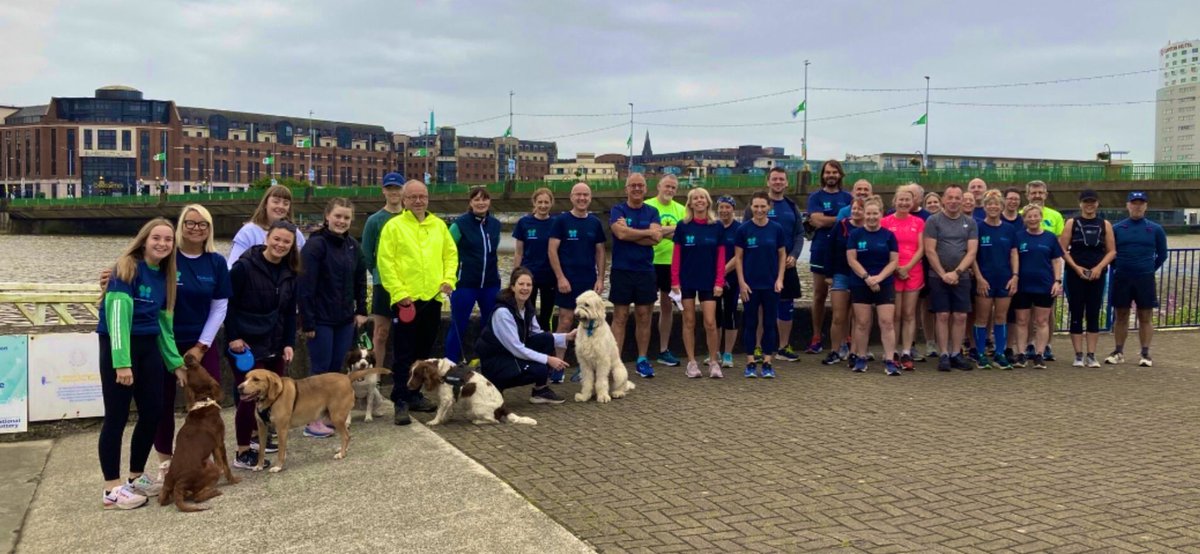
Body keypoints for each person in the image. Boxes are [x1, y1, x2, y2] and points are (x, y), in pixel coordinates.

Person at [96, 218, 186, 510]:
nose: (162, 244)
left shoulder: (166, 276)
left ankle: (135, 477)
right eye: (156, 238)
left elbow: (164, 324)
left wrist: (175, 362)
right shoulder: (127, 267)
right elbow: (117, 316)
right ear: (144, 239)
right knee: (117, 417)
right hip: (119, 346)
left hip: (149, 348)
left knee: (153, 411)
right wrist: (122, 364)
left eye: (168, 240)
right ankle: (111, 489)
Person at [151, 205, 230, 484]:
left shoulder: (216, 263)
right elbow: (136, 275)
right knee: (162, 403)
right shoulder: (166, 257)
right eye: (191, 223)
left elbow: (219, 307)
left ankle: (204, 458)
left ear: (209, 229)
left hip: (200, 344)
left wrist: (201, 346)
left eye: (203, 224)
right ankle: (165, 462)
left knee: (207, 403)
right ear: (181, 225)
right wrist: (110, 277)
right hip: (163, 341)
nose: (197, 228)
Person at [378, 180, 457, 425]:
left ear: (427, 198)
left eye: (422, 196)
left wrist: (448, 279)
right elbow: (385, 262)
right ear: (404, 200)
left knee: (423, 352)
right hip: (406, 301)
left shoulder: (439, 226)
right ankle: (400, 400)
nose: (418, 201)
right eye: (413, 197)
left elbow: (451, 255)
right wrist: (399, 292)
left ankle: (414, 394)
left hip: (431, 298)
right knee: (403, 353)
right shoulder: (394, 226)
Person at [226, 219, 300, 470]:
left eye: (286, 242)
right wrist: (233, 336)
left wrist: (289, 342)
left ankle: (264, 439)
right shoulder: (244, 267)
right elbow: (228, 304)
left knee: (274, 396)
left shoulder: (291, 272)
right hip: (246, 343)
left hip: (276, 342)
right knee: (247, 396)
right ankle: (242, 450)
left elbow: (290, 312)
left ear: (292, 246)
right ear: (267, 238)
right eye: (277, 239)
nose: (281, 245)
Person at [298, 198, 368, 438]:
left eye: (346, 218)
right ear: (327, 216)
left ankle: (329, 415)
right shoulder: (315, 246)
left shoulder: (353, 247)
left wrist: (361, 310)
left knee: (336, 371)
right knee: (319, 372)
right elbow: (305, 286)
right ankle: (312, 421)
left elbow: (360, 278)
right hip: (321, 319)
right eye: (338, 216)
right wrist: (307, 322)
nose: (341, 221)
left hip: (344, 319)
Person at [475, 268, 572, 404]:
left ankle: (540, 391)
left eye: (529, 285)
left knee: (546, 338)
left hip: (510, 355)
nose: (525, 288)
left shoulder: (526, 307)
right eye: (521, 284)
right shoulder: (503, 313)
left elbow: (537, 334)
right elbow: (517, 348)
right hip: (494, 362)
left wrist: (567, 337)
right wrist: (548, 359)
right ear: (513, 287)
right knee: (540, 369)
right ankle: (495, 386)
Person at [548, 182, 606, 382]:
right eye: (578, 195)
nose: (582, 199)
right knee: (564, 322)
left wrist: (600, 278)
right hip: (567, 281)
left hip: (588, 282)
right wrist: (560, 277)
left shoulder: (595, 223)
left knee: (590, 326)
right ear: (571, 197)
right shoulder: (561, 221)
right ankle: (558, 366)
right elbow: (552, 250)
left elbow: (600, 252)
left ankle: (587, 368)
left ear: (590, 198)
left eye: (586, 195)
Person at [609, 173, 663, 378]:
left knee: (643, 316)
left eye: (640, 185)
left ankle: (642, 359)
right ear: (626, 189)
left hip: (645, 270)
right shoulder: (617, 210)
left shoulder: (652, 211)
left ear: (646, 189)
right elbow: (620, 234)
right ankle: (615, 361)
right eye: (633, 186)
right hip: (622, 270)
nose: (637, 189)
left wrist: (631, 232)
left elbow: (656, 238)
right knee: (620, 316)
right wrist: (645, 232)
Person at [1105, 191, 1168, 367]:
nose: (1137, 206)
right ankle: (1118, 351)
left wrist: (1148, 269)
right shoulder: (1117, 228)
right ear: (1127, 205)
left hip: (1145, 278)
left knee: (1145, 315)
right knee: (1121, 314)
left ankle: (1145, 353)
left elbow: (1162, 255)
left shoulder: (1156, 229)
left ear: (1146, 206)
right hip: (1122, 277)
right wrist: (1119, 267)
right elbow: (1110, 252)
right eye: (1134, 203)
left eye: (1141, 203)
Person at [671, 187, 726, 378]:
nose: (699, 201)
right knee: (689, 321)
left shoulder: (717, 226)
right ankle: (692, 363)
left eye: (702, 197)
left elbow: (721, 257)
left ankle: (713, 362)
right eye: (695, 198)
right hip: (686, 280)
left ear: (708, 201)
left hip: (709, 281)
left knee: (710, 322)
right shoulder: (683, 226)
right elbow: (676, 255)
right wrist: (674, 280)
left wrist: (720, 281)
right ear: (690, 203)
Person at [923, 185, 978, 371]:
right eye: (950, 197)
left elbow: (971, 251)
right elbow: (929, 250)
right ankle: (944, 354)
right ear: (943, 200)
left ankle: (956, 353)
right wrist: (943, 274)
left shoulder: (970, 223)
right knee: (943, 315)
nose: (954, 201)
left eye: (957, 198)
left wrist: (957, 272)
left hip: (961, 277)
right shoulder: (933, 220)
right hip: (938, 276)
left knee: (961, 316)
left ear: (962, 200)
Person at [1059, 189, 1115, 368]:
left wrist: (1099, 267)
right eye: (1085, 202)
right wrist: (1076, 268)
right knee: (1076, 312)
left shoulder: (1104, 224)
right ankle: (1078, 355)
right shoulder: (1071, 223)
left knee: (1093, 313)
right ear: (1080, 204)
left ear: (1097, 203)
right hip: (1075, 274)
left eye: (1092, 202)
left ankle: (1091, 355)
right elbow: (1062, 249)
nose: (1089, 205)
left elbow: (1112, 251)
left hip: (1097, 275)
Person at [445, 187, 501, 364]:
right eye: (476, 199)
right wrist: (448, 278)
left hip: (490, 284)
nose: (481, 202)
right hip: (465, 284)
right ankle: (450, 364)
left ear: (489, 202)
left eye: (484, 199)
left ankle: (489, 362)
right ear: (470, 202)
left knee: (491, 325)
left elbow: (492, 252)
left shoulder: (495, 224)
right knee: (458, 325)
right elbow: (446, 252)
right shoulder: (459, 225)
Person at [846, 197, 901, 375]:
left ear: (881, 214)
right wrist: (867, 277)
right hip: (861, 282)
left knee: (886, 322)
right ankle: (861, 358)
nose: (871, 217)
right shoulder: (855, 235)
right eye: (868, 213)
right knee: (862, 323)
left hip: (884, 282)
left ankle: (890, 359)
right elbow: (851, 259)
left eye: (874, 213)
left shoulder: (889, 235)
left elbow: (894, 262)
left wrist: (879, 278)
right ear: (864, 214)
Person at [805, 162, 853, 356]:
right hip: (820, 249)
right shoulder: (815, 197)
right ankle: (816, 336)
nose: (831, 175)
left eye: (834, 172)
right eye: (827, 172)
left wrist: (829, 219)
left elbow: (853, 220)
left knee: (846, 297)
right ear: (823, 175)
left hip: (843, 252)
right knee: (819, 294)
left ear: (840, 175)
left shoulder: (848, 197)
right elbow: (816, 220)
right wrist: (842, 217)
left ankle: (845, 337)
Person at [736, 191, 786, 379]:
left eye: (762, 206)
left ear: (769, 207)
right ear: (751, 207)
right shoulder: (743, 230)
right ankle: (750, 362)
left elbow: (782, 255)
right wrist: (741, 282)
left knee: (769, 323)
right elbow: (739, 258)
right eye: (755, 206)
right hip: (750, 285)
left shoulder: (777, 229)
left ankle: (767, 362)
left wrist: (780, 279)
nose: (759, 210)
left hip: (771, 285)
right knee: (750, 323)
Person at [1010, 205, 1064, 369]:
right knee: (1021, 320)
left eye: (1035, 216)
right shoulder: (1018, 237)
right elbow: (1013, 258)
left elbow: (1056, 260)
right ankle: (1021, 354)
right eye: (1029, 217)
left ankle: (1039, 354)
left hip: (1044, 285)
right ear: (1024, 219)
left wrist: (1057, 281)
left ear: (1041, 218)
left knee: (1041, 321)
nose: (1032, 219)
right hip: (1022, 285)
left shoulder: (1050, 237)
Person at [360, 172, 405, 364]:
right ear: (383, 191)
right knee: (381, 333)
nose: (394, 192)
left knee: (406, 333)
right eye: (390, 188)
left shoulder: (410, 217)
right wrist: (379, 273)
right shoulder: (374, 220)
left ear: (403, 191)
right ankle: (375, 377)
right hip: (383, 284)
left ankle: (404, 377)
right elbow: (367, 254)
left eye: (397, 188)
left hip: (408, 283)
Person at [971, 190, 1019, 369]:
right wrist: (979, 278)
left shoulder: (1009, 229)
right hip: (985, 279)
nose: (993, 207)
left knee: (1001, 317)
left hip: (1004, 279)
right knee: (982, 318)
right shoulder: (978, 228)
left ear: (1002, 206)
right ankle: (981, 354)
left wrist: (1015, 276)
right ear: (984, 207)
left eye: (996, 204)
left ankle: (1000, 353)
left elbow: (1014, 254)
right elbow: (972, 255)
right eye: (989, 204)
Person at [881, 187, 925, 371]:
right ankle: (893, 351)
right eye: (901, 200)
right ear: (895, 201)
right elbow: (882, 246)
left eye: (908, 200)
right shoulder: (885, 222)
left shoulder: (919, 222)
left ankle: (907, 350)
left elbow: (922, 248)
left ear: (913, 202)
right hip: (893, 270)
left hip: (912, 271)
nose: (904, 203)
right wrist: (896, 267)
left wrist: (907, 267)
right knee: (895, 315)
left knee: (909, 313)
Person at [645, 175, 686, 367]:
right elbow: (650, 233)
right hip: (649, 260)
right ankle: (642, 354)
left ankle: (663, 349)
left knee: (667, 306)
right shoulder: (648, 206)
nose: (670, 190)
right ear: (659, 187)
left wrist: (662, 231)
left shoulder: (681, 209)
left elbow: (682, 234)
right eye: (667, 186)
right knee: (644, 307)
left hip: (672, 263)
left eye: (673, 188)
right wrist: (672, 230)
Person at [1022, 180, 1065, 362]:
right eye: (1033, 193)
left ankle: (1047, 345)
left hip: (1047, 274)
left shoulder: (1055, 216)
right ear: (1027, 195)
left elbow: (1060, 246)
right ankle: (1030, 344)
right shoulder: (1021, 214)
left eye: (1040, 192)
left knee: (1047, 313)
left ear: (1046, 194)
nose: (1037, 195)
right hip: (1025, 273)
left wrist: (1058, 278)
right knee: (1026, 313)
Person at [822, 198, 865, 366]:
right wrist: (828, 274)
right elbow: (829, 249)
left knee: (857, 317)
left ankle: (853, 351)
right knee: (838, 316)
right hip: (840, 274)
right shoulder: (840, 226)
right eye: (854, 209)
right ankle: (834, 350)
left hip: (860, 277)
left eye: (860, 209)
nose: (856, 212)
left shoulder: (869, 229)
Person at [512, 187, 558, 332]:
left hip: (549, 276)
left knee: (546, 316)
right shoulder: (524, 223)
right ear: (534, 203)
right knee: (527, 314)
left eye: (546, 202)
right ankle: (525, 346)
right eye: (540, 202)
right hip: (528, 277)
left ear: (551, 203)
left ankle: (544, 346)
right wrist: (515, 275)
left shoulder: (556, 223)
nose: (543, 205)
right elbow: (519, 252)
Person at [228, 184, 307, 268]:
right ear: (265, 204)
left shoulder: (296, 234)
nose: (280, 206)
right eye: (276, 202)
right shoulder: (248, 232)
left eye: (285, 203)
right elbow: (232, 265)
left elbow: (303, 265)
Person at [715, 195, 741, 369]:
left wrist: (722, 272)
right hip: (713, 279)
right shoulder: (713, 227)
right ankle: (714, 351)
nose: (724, 210)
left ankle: (728, 353)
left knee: (730, 314)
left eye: (727, 207)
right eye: (721, 207)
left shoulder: (739, 229)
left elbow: (740, 255)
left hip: (732, 277)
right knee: (714, 315)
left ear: (733, 208)